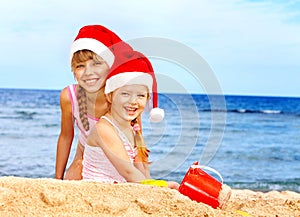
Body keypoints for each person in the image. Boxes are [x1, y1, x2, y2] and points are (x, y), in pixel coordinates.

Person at [82, 51, 178, 189]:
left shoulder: (134, 130)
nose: (133, 101)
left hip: (122, 190)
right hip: (99, 193)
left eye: (140, 95)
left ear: (147, 99)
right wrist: (162, 186)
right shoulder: (104, 129)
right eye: (125, 94)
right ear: (110, 96)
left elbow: (143, 173)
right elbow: (128, 172)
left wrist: (156, 189)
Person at [55, 25, 136, 180]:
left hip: (117, 161)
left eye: (97, 63)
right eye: (80, 66)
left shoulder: (122, 97)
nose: (88, 72)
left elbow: (137, 139)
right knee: (69, 185)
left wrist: (143, 177)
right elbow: (66, 136)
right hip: (85, 159)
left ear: (111, 66)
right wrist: (57, 179)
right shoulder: (69, 96)